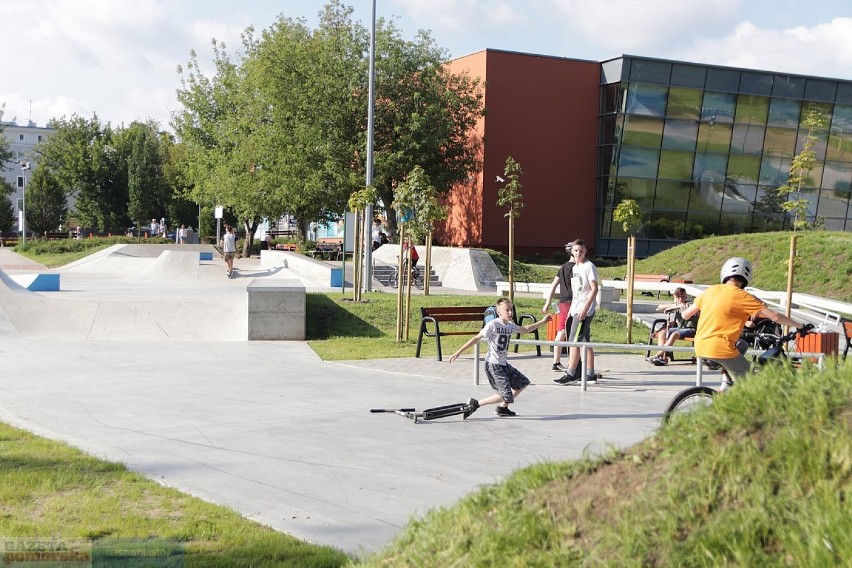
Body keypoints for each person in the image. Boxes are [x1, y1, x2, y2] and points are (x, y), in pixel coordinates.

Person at [678, 257, 804, 390]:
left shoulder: (710, 291)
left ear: (724, 272)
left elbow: (685, 315)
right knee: (753, 385)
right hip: (722, 349)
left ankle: (726, 384)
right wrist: (800, 326)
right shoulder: (744, 297)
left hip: (701, 345)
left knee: (741, 346)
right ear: (746, 278)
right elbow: (775, 316)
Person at [449, 298, 553, 418]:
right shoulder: (493, 324)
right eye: (507, 310)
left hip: (503, 364)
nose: (510, 313)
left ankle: (503, 408)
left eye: (511, 310)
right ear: (499, 312)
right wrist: (459, 352)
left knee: (523, 382)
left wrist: (543, 321)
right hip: (493, 364)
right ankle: (475, 404)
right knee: (505, 394)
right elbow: (476, 338)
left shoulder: (510, 325)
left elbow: (525, 329)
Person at [554, 239, 599, 385]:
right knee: (585, 340)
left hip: (584, 310)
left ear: (585, 251)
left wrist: (585, 308)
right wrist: (571, 310)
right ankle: (590, 374)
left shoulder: (589, 266)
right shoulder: (575, 268)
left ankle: (571, 373)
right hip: (576, 307)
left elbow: (594, 289)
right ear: (571, 252)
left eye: (581, 250)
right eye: (576, 251)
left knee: (574, 340)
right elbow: (576, 292)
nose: (578, 253)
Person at [541, 244, 574, 371]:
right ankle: (556, 362)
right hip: (570, 302)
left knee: (566, 331)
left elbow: (553, 285)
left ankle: (563, 362)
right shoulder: (574, 268)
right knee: (563, 331)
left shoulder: (563, 267)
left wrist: (547, 302)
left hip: (563, 302)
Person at [649, 287, 697, 365]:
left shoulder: (690, 305)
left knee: (674, 334)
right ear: (675, 298)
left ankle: (658, 355)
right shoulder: (676, 304)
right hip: (680, 328)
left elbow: (682, 305)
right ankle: (661, 356)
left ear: (686, 297)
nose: (681, 299)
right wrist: (672, 305)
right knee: (662, 332)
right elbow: (659, 307)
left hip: (691, 329)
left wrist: (671, 308)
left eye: (683, 297)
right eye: (678, 297)